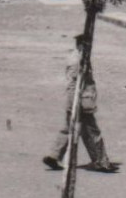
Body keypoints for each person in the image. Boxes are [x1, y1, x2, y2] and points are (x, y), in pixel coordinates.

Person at [44, 37, 119, 174]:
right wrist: (75, 104)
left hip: (77, 100)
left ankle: (53, 156)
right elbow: (74, 84)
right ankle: (101, 162)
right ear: (82, 45)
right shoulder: (78, 61)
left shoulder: (77, 56)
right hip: (80, 101)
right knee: (92, 131)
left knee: (69, 129)